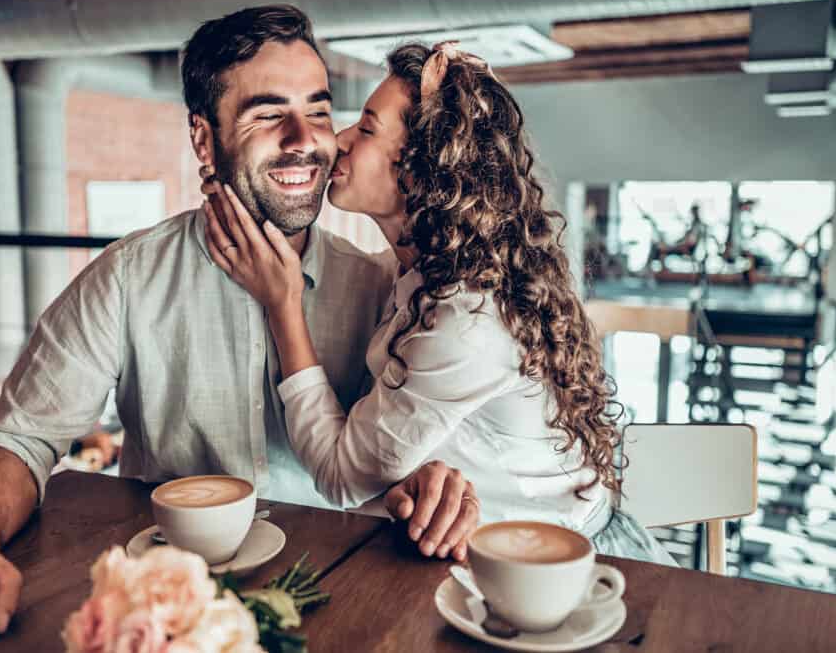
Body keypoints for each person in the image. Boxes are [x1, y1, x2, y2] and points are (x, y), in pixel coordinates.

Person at [0, 8, 482, 643]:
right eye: (265, 114)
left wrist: (430, 481)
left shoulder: (379, 287)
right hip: (170, 617)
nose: (305, 138)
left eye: (317, 109)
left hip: (341, 603)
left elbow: (393, 455)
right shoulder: (127, 277)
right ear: (204, 140)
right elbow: (17, 439)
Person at [203, 41, 674, 565]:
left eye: (366, 128)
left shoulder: (467, 320)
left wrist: (282, 304)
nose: (337, 141)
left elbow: (341, 477)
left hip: (565, 569)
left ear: (419, 170)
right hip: (497, 557)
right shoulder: (418, 277)